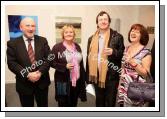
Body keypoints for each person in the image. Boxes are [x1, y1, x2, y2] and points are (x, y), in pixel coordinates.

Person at [7, 17, 51, 107]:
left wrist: (40, 72)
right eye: (28, 25)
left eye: (33, 26)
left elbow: (49, 58)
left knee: (43, 107)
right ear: (21, 27)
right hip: (24, 85)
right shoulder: (12, 43)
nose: (31, 28)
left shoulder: (43, 40)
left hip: (42, 82)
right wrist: (28, 74)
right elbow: (12, 63)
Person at [86, 11, 125, 107]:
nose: (103, 21)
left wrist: (114, 52)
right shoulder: (91, 38)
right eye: (100, 20)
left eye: (105, 19)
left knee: (110, 102)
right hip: (96, 74)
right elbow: (88, 57)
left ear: (109, 21)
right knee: (99, 102)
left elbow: (122, 54)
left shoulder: (118, 37)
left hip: (111, 76)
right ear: (97, 22)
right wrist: (88, 77)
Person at [50, 24, 87, 107]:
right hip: (62, 81)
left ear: (74, 34)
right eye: (66, 32)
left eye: (71, 32)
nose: (69, 34)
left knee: (73, 102)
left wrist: (84, 78)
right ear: (63, 34)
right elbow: (51, 62)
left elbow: (80, 63)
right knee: (62, 102)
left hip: (76, 81)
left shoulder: (77, 47)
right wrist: (64, 66)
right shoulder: (57, 47)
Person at [117, 24, 152, 107]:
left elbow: (145, 73)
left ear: (142, 36)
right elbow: (123, 68)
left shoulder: (146, 52)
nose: (133, 33)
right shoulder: (126, 48)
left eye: (137, 32)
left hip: (137, 89)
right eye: (132, 31)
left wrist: (133, 62)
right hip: (124, 86)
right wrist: (120, 84)